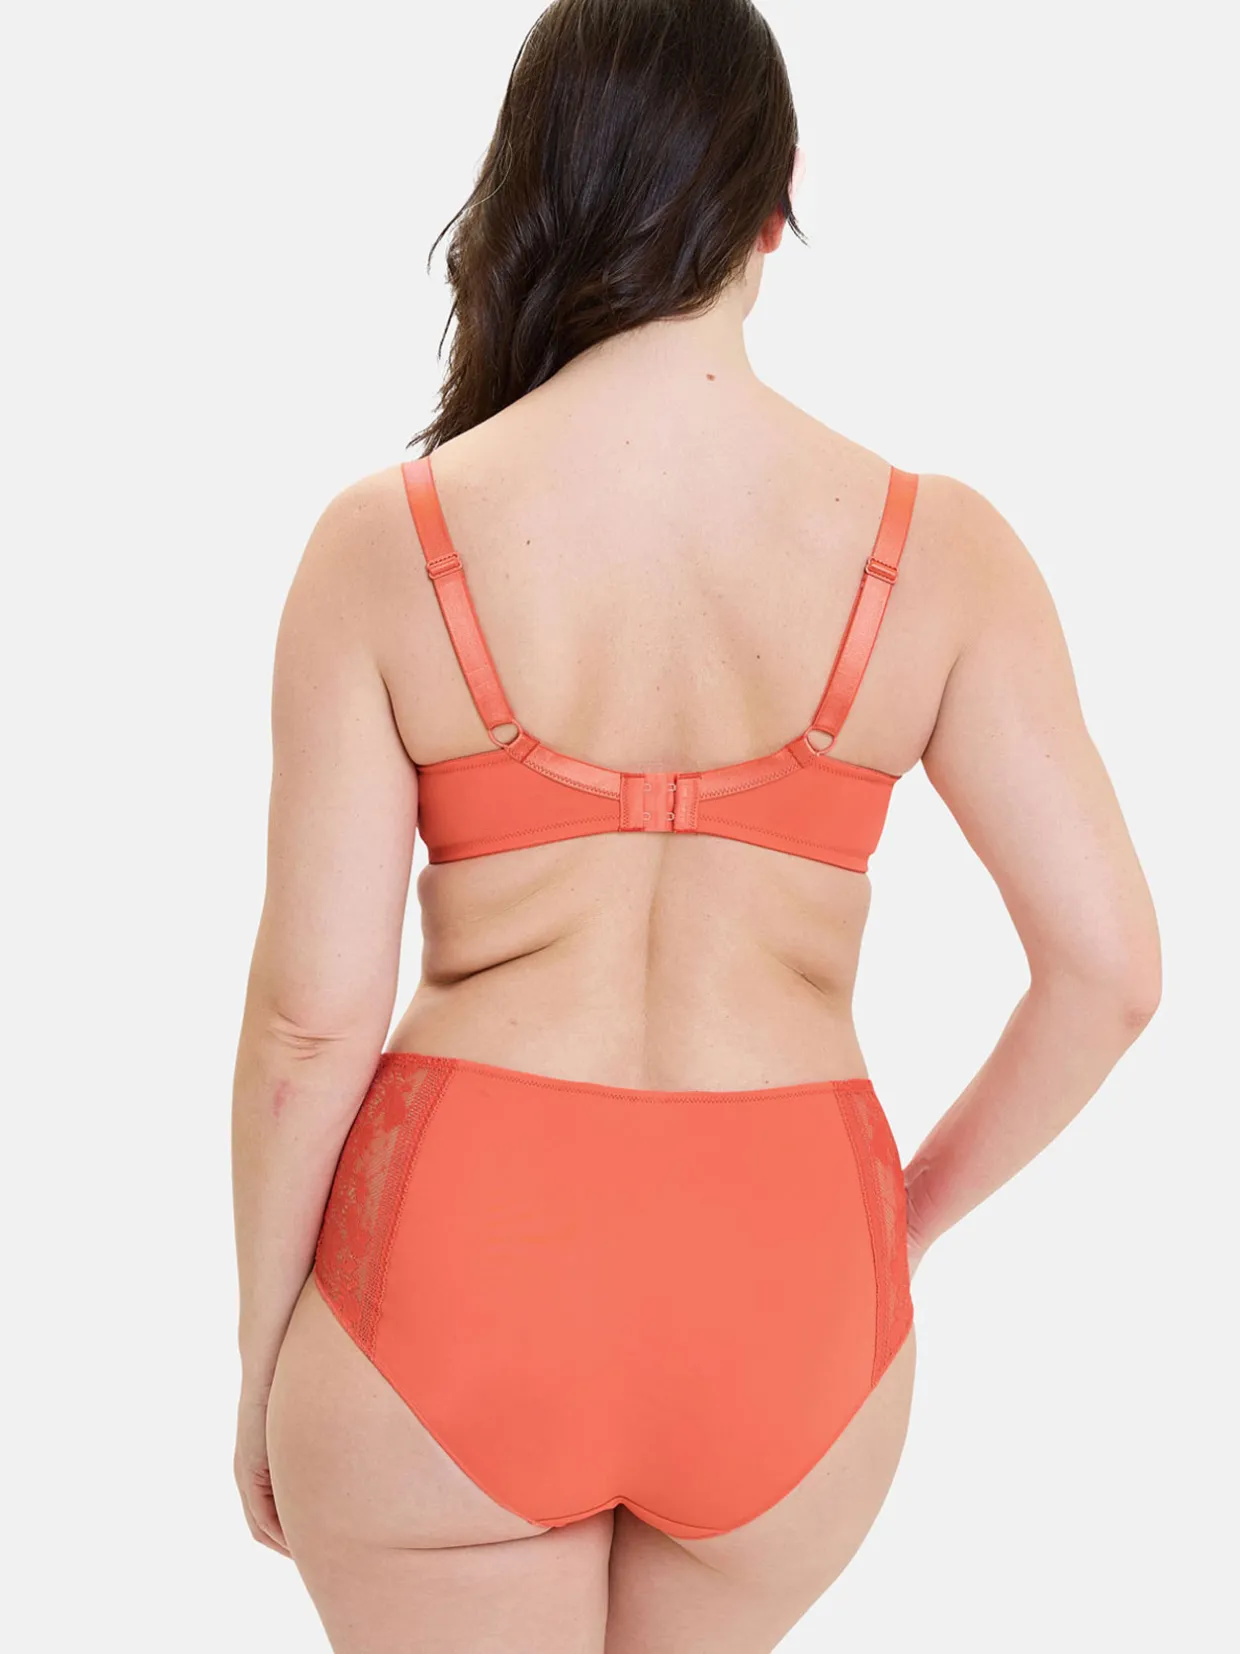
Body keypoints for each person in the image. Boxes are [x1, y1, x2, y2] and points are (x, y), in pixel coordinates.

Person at [230, 2, 1161, 1648]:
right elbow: (1110, 972)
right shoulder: (940, 551)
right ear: (776, 200)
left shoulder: (388, 542)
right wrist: (905, 1220)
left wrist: (264, 1359)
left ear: (537, 186)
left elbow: (312, 1024)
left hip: (459, 1275)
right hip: (790, 1280)